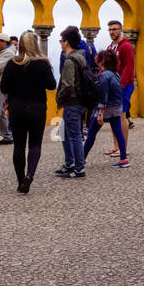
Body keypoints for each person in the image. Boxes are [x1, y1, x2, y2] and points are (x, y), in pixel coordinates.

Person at [0, 30, 57, 194]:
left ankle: (19, 181)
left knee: (18, 145)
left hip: (17, 109)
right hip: (37, 108)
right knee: (35, 144)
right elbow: (52, 85)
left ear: (21, 46)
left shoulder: (12, 63)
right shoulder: (43, 63)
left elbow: (4, 88)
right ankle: (29, 176)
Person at [83, 47, 129, 167]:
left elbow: (104, 95)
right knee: (118, 132)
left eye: (98, 56)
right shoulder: (115, 74)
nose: (95, 57)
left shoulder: (104, 76)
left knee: (91, 133)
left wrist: (100, 113)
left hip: (106, 109)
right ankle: (124, 159)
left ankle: (81, 158)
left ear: (102, 61)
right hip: (116, 108)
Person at [53, 26, 89, 178]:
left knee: (74, 135)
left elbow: (68, 84)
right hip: (80, 101)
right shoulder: (81, 57)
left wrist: (59, 98)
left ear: (66, 42)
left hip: (71, 103)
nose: (60, 43)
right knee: (64, 132)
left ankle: (78, 168)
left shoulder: (69, 60)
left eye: (61, 40)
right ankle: (70, 163)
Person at [107, 20, 137, 130]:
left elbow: (129, 67)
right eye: (110, 29)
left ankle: (122, 145)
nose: (112, 32)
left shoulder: (126, 46)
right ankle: (116, 145)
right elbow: (105, 67)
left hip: (124, 85)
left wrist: (121, 85)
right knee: (114, 117)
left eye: (114, 29)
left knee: (121, 115)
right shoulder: (110, 47)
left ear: (120, 30)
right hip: (113, 85)